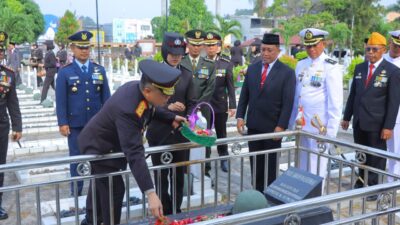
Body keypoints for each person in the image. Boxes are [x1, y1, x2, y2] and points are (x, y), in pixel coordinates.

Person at [78, 59, 186, 225]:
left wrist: (171, 117)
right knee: (113, 190)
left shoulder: (139, 91)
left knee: (101, 189)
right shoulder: (128, 108)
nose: (169, 97)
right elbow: (135, 152)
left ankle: (91, 221)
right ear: (148, 91)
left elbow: (150, 110)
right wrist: (151, 194)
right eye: (164, 94)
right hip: (101, 147)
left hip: (109, 146)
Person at [342, 32, 400, 200]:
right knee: (361, 153)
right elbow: (353, 94)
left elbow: (393, 102)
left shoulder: (392, 71)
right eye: (368, 49)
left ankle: (373, 188)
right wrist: (346, 117)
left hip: (378, 123)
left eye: (374, 50)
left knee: (376, 158)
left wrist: (388, 126)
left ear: (383, 50)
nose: (370, 53)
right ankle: (361, 182)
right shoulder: (360, 68)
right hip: (359, 121)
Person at [236, 33, 296, 193]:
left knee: (269, 168)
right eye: (263, 49)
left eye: (269, 50)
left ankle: (269, 198)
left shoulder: (287, 73)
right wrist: (240, 116)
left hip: (273, 129)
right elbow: (244, 95)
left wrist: (281, 126)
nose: (265, 53)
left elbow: (288, 102)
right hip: (254, 127)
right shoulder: (253, 68)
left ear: (278, 50)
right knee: (256, 165)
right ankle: (257, 196)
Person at [56, 31, 111, 197]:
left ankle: (98, 192)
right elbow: (61, 101)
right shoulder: (65, 73)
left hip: (96, 126)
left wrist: (109, 122)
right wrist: (62, 122)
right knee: (77, 160)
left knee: (98, 159)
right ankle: (77, 193)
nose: (84, 51)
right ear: (72, 48)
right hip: (75, 126)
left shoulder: (98, 70)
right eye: (80, 48)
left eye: (87, 47)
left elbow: (107, 99)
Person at [146, 32, 196, 215]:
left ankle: (176, 209)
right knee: (161, 175)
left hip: (180, 134)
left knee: (179, 176)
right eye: (172, 53)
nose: (176, 57)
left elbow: (193, 103)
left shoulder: (187, 74)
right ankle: (164, 211)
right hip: (159, 133)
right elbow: (150, 104)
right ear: (165, 51)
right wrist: (169, 108)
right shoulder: (153, 73)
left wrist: (189, 116)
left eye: (179, 54)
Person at [289, 28, 343, 189]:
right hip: (301, 124)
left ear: (323, 44)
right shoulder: (301, 64)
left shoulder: (330, 66)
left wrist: (330, 133)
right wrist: (291, 123)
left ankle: (315, 201)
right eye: (308, 46)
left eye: (315, 45)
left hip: (319, 126)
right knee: (302, 165)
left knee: (317, 167)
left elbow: (336, 102)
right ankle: (302, 196)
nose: (311, 49)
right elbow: (296, 96)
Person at [181, 29, 215, 177]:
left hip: (202, 110)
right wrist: (188, 107)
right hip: (184, 110)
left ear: (202, 46)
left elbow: (210, 87)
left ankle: (205, 169)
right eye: (193, 44)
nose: (196, 48)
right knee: (184, 139)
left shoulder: (209, 64)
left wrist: (198, 106)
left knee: (203, 139)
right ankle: (184, 170)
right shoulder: (181, 62)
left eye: (199, 45)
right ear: (188, 44)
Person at [204, 31, 236, 173]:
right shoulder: (201, 63)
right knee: (205, 134)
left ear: (219, 47)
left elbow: (230, 87)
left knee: (221, 134)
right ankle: (206, 161)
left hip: (219, 105)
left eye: (213, 45)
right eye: (208, 45)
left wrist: (232, 106)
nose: (211, 48)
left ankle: (224, 158)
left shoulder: (225, 64)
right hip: (205, 106)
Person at [0, 31, 22, 220]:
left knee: (0, 167)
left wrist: (18, 127)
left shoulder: (8, 74)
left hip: (1, 127)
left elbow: (12, 103)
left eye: (0, 51)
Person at [384, 30, 400, 182]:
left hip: (397, 116)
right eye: (395, 45)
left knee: (395, 153)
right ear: (390, 43)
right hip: (378, 113)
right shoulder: (381, 60)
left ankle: (392, 184)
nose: (397, 49)